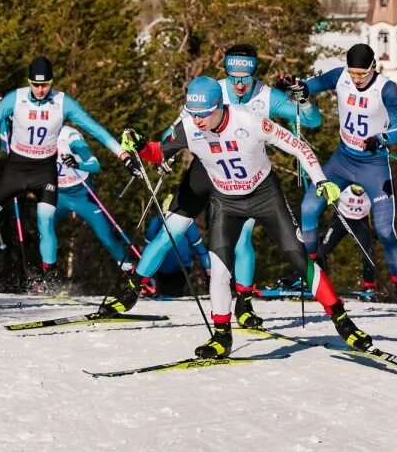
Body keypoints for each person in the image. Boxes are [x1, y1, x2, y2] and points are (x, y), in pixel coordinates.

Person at [128, 76, 372, 359]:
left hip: (264, 196)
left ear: (219, 105)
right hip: (225, 203)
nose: (198, 121)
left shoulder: (249, 120)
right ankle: (221, 336)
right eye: (193, 114)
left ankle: (343, 321)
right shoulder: (187, 128)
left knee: (297, 255)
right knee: (219, 269)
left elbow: (298, 146)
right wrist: (140, 144)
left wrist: (319, 180)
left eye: (204, 114)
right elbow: (158, 154)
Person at [102, 44, 322, 329]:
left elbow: (311, 121)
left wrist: (302, 101)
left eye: (246, 77)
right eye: (233, 77)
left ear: (255, 72)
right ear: (226, 72)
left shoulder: (266, 96)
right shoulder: (209, 91)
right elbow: (177, 128)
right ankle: (131, 289)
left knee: (242, 239)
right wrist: (162, 153)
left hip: (242, 177)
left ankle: (243, 302)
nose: (239, 84)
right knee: (172, 228)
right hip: (204, 170)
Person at [0, 56, 139, 288]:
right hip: (16, 168)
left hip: (44, 171)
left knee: (45, 220)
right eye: (36, 84)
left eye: (45, 84)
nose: (40, 90)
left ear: (52, 82)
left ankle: (48, 274)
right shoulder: (15, 98)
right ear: (29, 81)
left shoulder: (62, 103)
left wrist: (124, 156)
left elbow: (95, 128)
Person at [279, 43, 397, 310]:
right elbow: (310, 86)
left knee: (383, 230)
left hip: (374, 165)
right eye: (353, 73)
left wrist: (382, 137)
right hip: (342, 161)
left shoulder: (386, 88)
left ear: (373, 68)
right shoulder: (340, 76)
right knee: (309, 208)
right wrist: (297, 87)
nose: (356, 79)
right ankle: (312, 272)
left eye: (362, 74)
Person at [51, 124, 133, 273]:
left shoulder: (70, 135)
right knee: (45, 229)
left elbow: (95, 165)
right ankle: (45, 274)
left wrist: (77, 164)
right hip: (57, 195)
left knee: (105, 235)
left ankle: (132, 274)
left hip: (82, 194)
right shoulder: (37, 133)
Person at [144, 196, 211, 297]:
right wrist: (208, 267)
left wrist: (144, 271)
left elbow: (147, 249)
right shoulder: (186, 222)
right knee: (173, 295)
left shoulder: (156, 221)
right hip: (180, 267)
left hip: (161, 267)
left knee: (166, 294)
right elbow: (199, 248)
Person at [317, 184, 377, 293]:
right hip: (340, 220)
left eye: (361, 191)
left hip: (360, 223)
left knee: (367, 253)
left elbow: (386, 199)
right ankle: (314, 282)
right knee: (323, 250)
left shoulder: (371, 187)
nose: (359, 193)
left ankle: (369, 286)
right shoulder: (343, 186)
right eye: (356, 190)